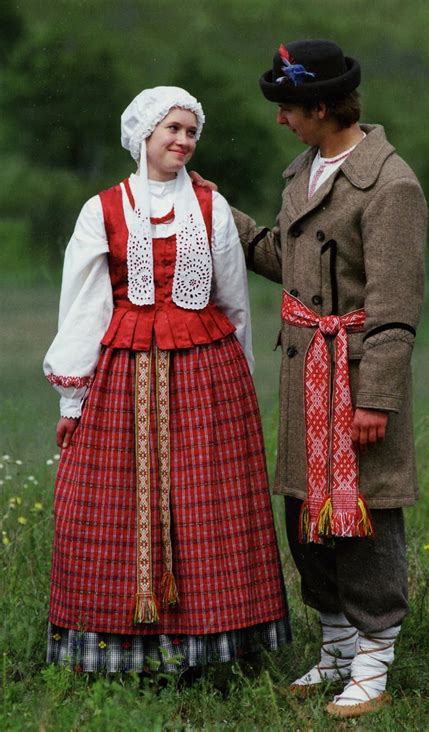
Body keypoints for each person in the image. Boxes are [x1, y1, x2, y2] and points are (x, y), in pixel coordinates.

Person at [196, 40, 427, 718]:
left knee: (364, 518)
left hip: (355, 383)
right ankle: (334, 648)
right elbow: (281, 255)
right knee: (306, 515)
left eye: (288, 108)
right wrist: (222, 217)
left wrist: (377, 398)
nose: (280, 120)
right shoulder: (305, 169)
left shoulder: (391, 184)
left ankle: (375, 661)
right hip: (306, 379)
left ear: (322, 107)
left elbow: (396, 305)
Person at [43, 86, 291, 675]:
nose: (182, 141)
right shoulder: (101, 209)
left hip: (207, 371)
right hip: (123, 374)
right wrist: (72, 400)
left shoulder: (210, 205)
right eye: (172, 130)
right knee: (106, 501)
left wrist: (238, 381)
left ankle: (214, 651)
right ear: (144, 136)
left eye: (190, 132)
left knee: (209, 501)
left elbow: (233, 300)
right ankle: (117, 649)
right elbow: (84, 307)